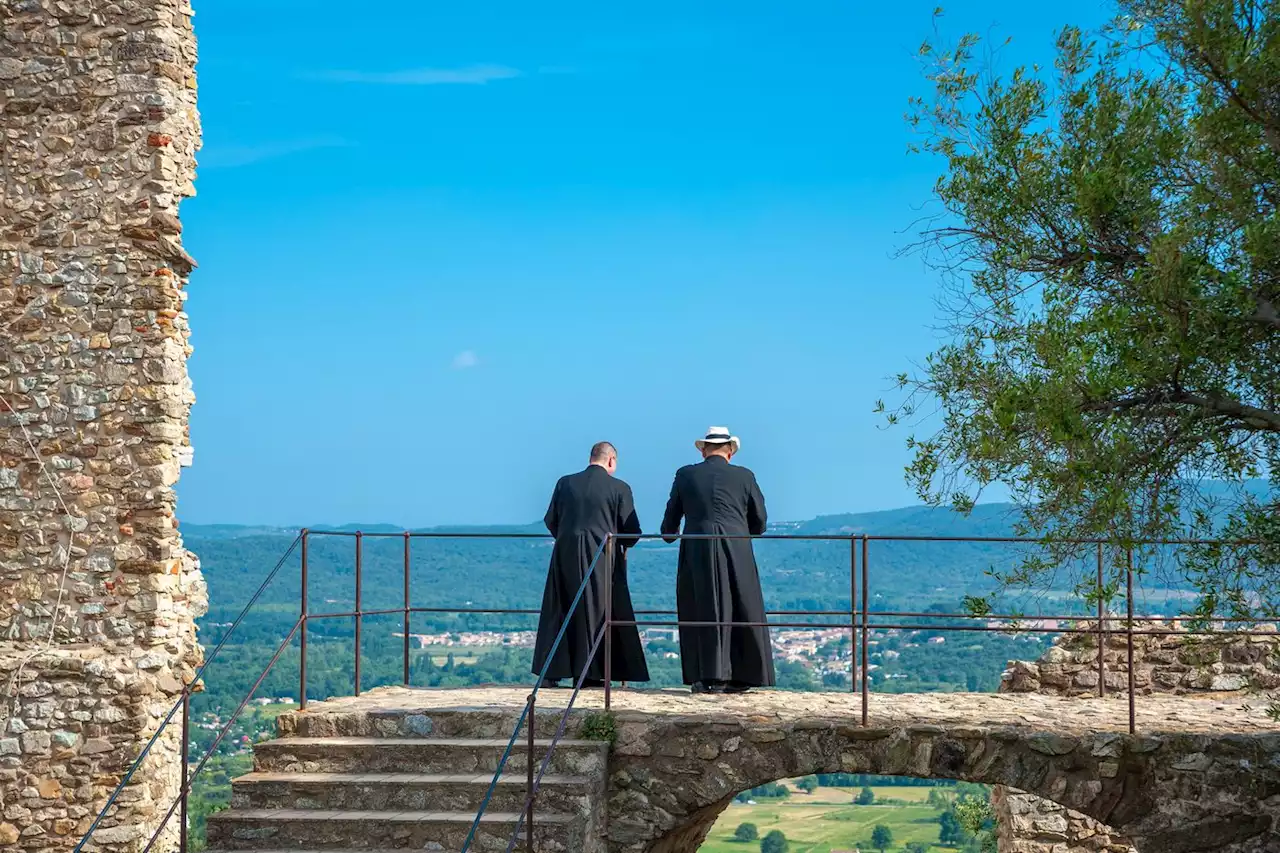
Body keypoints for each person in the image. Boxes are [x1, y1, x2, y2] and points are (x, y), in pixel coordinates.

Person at [661, 426, 775, 694]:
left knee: (700, 607)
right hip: (737, 547)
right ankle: (742, 675)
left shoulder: (685, 474)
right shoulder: (745, 476)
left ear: (703, 450)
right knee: (742, 606)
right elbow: (759, 522)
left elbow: (670, 523)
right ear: (730, 451)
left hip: (697, 546)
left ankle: (705, 677)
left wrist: (670, 534)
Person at [531, 441, 650, 688]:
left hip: (565, 554)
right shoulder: (619, 488)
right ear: (611, 461)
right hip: (602, 556)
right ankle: (590, 673)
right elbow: (632, 532)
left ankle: (551, 671)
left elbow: (550, 520)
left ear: (591, 457)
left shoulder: (565, 483)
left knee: (561, 608)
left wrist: (568, 540)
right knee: (597, 611)